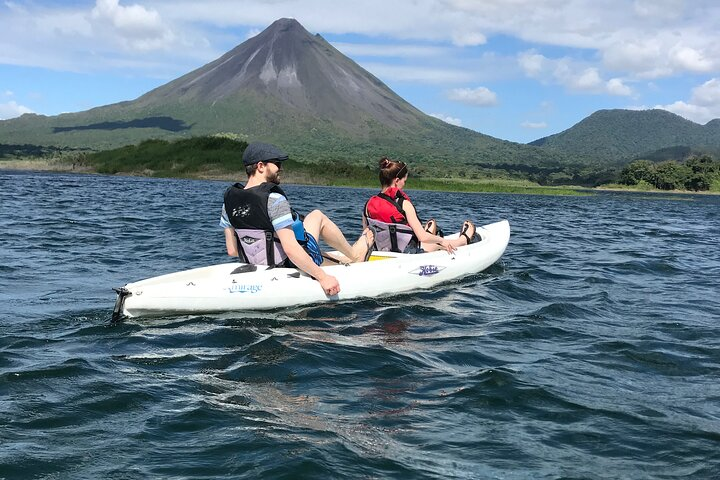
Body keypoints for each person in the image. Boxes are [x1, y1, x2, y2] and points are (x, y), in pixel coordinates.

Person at [220, 142, 373, 296]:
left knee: (312, 224)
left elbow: (232, 250)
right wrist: (323, 277)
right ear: (260, 166)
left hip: (257, 265)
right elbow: (291, 249)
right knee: (317, 216)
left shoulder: (228, 202)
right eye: (277, 163)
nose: (280, 168)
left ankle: (346, 257)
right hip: (287, 265)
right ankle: (355, 255)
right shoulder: (274, 199)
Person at [363, 156, 477, 254]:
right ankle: (463, 240)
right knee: (438, 243)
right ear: (397, 180)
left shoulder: (368, 205)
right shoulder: (404, 204)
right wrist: (442, 241)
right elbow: (421, 237)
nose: (404, 184)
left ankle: (429, 232)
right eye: (404, 181)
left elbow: (367, 236)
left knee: (423, 237)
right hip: (407, 254)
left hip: (382, 252)